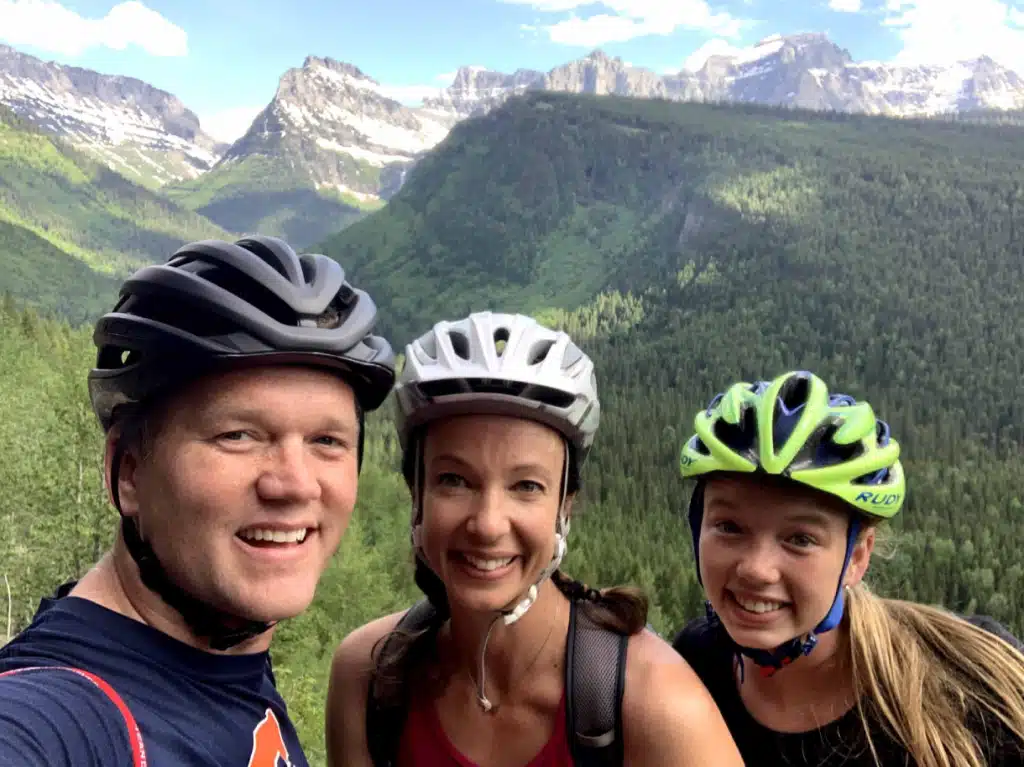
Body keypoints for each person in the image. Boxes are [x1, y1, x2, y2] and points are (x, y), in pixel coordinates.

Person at [0, 236, 396, 766]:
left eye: (326, 440)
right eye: (238, 435)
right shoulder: (59, 716)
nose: (296, 485)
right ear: (129, 471)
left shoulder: (224, 662)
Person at [325, 311, 743, 767]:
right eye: (453, 480)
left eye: (526, 486)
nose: (488, 524)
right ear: (416, 493)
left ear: (565, 508)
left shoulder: (656, 705)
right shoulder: (369, 677)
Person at [672, 369, 1024, 766]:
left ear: (857, 557)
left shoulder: (977, 683)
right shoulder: (693, 667)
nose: (756, 569)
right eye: (728, 527)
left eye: (800, 539)